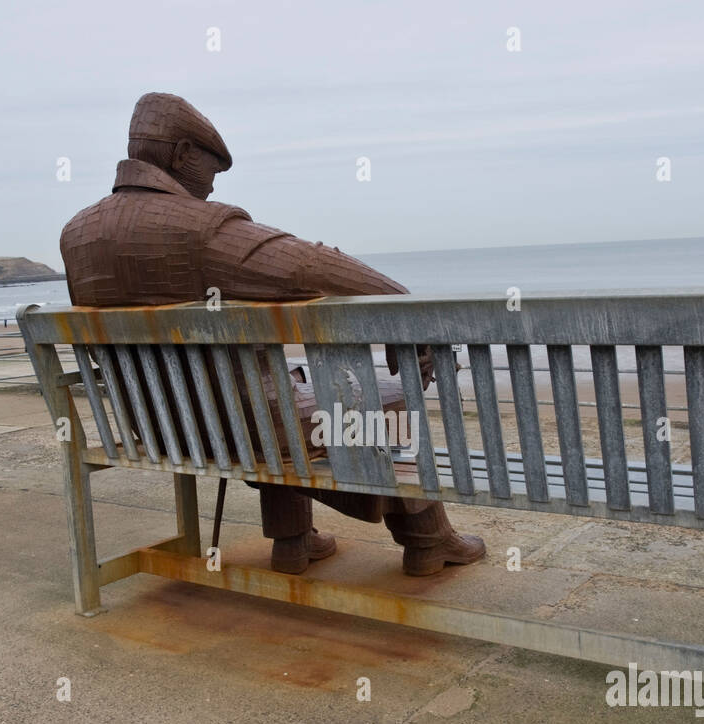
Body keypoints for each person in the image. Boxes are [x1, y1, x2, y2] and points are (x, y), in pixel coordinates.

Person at [60, 93, 485, 576]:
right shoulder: (201, 229)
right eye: (210, 171)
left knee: (274, 397)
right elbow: (312, 264)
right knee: (391, 396)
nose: (209, 187)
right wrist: (409, 316)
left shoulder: (77, 234)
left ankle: (294, 541)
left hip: (157, 427)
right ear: (181, 154)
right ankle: (428, 540)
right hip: (238, 430)